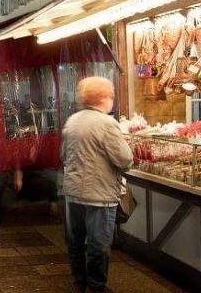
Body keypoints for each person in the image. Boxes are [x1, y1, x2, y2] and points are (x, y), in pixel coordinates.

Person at [61, 77, 133, 293]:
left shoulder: (72, 121)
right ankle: (96, 286)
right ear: (103, 98)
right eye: (111, 95)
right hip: (99, 196)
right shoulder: (107, 123)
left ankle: (79, 283)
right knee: (98, 246)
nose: (112, 100)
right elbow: (125, 160)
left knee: (75, 242)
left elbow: (63, 155)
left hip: (73, 192)